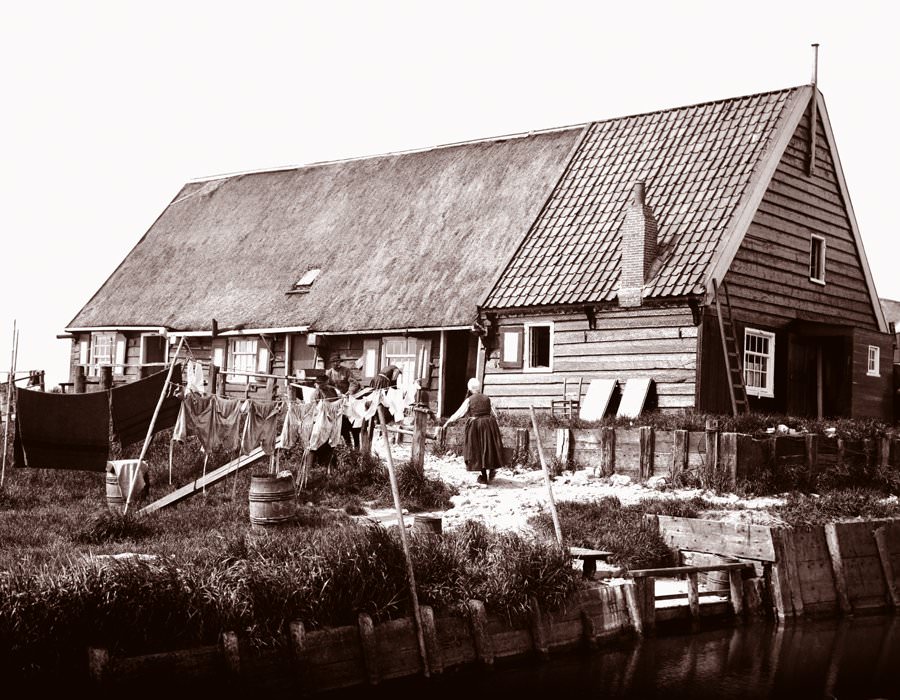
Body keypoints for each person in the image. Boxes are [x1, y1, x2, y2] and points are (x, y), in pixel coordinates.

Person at [441, 378, 504, 484]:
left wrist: (448, 422)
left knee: (477, 449)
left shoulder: (469, 400)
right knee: (488, 447)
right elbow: (495, 413)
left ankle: (484, 477)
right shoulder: (487, 398)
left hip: (476, 426)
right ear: (479, 388)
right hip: (489, 424)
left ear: (470, 389)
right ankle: (491, 469)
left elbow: (459, 413)